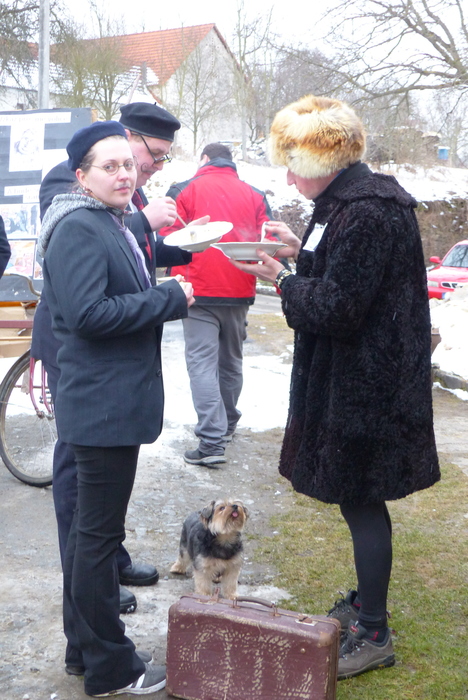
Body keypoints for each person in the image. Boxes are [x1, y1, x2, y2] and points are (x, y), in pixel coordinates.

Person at [232, 94, 440, 680]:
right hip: (358, 379)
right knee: (360, 497)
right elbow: (345, 278)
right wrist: (300, 253)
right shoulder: (348, 203)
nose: (288, 178)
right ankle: (367, 605)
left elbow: (340, 307)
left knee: (362, 498)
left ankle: (373, 630)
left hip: (367, 386)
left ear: (319, 162)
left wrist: (281, 278)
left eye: (292, 165)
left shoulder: (366, 211)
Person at [39, 120, 194, 696]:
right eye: (110, 166)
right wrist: (167, 298)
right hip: (101, 407)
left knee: (92, 536)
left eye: (128, 164)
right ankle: (111, 666)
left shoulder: (108, 219)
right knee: (97, 539)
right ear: (82, 176)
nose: (125, 174)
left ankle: (86, 651)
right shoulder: (80, 226)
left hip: (108, 404)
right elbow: (88, 315)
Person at [159, 143, 272, 467]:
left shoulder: (183, 190)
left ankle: (211, 440)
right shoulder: (255, 194)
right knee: (231, 361)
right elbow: (268, 237)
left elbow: (166, 236)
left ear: (205, 159)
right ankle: (228, 424)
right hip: (240, 288)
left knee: (202, 364)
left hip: (196, 291)